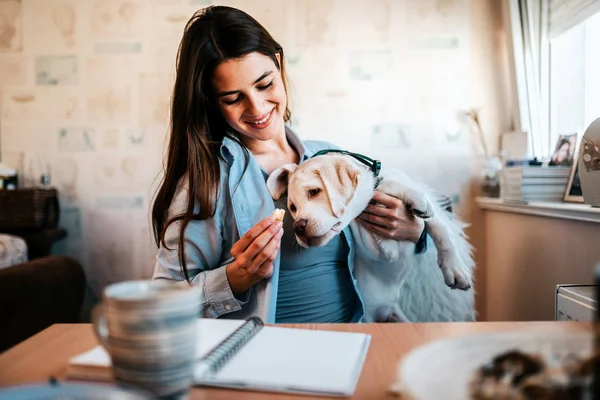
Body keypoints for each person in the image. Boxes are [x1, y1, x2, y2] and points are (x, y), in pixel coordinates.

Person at [151, 6, 428, 323]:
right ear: (212, 103)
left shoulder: (332, 160)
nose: (257, 108)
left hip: (358, 340)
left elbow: (385, 260)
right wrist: (235, 277)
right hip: (268, 358)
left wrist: (415, 232)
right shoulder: (207, 183)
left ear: (279, 64)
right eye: (232, 98)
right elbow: (162, 301)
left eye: (264, 83)